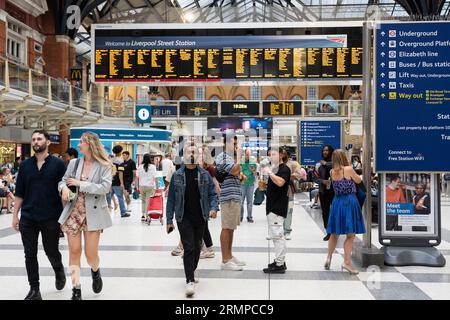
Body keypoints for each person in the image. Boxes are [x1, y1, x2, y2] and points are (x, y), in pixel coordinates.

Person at [12, 129, 67, 300]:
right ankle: (34, 289)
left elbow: (64, 192)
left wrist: (64, 218)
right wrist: (15, 215)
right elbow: (20, 192)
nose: (36, 142)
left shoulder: (58, 165)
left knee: (51, 251)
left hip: (51, 216)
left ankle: (58, 269)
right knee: (30, 254)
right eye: (34, 139)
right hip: (28, 217)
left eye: (39, 139)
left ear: (48, 142)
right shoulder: (25, 165)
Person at [59, 132, 113, 300]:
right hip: (73, 212)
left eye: (81, 142)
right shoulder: (74, 163)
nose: (78, 145)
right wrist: (64, 189)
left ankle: (95, 271)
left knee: (91, 255)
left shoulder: (104, 164)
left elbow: (105, 188)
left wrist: (80, 184)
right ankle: (76, 289)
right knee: (74, 252)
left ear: (90, 144)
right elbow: (63, 180)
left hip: (93, 213)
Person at [166, 143, 218, 297]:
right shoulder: (177, 175)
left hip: (201, 216)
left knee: (196, 246)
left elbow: (212, 194)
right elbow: (171, 200)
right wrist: (169, 220)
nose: (191, 154)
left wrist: (214, 208)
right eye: (189, 152)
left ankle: (192, 270)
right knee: (188, 247)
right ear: (184, 155)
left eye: (194, 152)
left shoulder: (204, 174)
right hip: (183, 217)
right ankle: (189, 280)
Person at [324, 149, 366, 275]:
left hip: (337, 203)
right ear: (343, 157)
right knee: (350, 235)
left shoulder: (332, 171)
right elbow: (358, 180)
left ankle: (329, 257)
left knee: (334, 233)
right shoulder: (347, 169)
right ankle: (347, 262)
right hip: (349, 201)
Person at [215, 134, 245, 271]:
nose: (236, 146)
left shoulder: (230, 158)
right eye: (234, 144)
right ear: (226, 143)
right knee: (226, 227)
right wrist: (239, 157)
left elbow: (239, 174)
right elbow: (234, 170)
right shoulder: (223, 157)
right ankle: (225, 260)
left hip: (234, 194)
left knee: (231, 227)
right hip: (228, 196)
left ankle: (229, 255)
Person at [262, 148, 291, 274]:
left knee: (278, 236)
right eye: (269, 155)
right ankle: (280, 260)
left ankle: (279, 264)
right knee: (276, 235)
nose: (271, 156)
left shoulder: (284, 169)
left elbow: (280, 182)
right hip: (273, 206)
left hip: (277, 207)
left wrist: (269, 173)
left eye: (273, 154)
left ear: (281, 155)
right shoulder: (275, 169)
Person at [314, 145, 335, 241]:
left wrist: (326, 164)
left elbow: (337, 168)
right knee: (325, 212)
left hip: (335, 192)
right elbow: (314, 178)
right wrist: (322, 181)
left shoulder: (335, 163)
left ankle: (336, 231)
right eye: (323, 151)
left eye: (327, 150)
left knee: (335, 211)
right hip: (323, 191)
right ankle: (328, 232)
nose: (325, 152)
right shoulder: (318, 165)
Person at [284, 151, 304, 240]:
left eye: (284, 153)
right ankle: (277, 231)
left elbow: (298, 175)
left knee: (289, 210)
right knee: (276, 211)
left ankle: (287, 231)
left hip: (290, 191)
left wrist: (286, 175)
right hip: (277, 191)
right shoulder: (276, 164)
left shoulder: (294, 164)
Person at [136, 153, 158, 221]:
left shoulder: (140, 166)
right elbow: (155, 177)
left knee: (143, 201)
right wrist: (157, 187)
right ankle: (147, 216)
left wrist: (136, 186)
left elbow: (137, 177)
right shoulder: (153, 167)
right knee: (148, 201)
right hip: (150, 186)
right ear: (150, 159)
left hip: (142, 186)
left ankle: (143, 215)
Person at [109, 145, 129, 217]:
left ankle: (105, 212)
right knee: (120, 197)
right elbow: (120, 173)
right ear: (120, 152)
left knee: (108, 197)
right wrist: (122, 183)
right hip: (117, 182)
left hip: (110, 182)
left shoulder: (110, 160)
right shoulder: (120, 161)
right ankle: (123, 212)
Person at [240, 148, 257, 223]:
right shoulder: (241, 162)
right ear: (244, 154)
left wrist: (253, 171)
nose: (248, 156)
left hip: (250, 184)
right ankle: (240, 216)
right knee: (241, 202)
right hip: (242, 184)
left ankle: (249, 217)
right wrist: (242, 175)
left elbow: (255, 173)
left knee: (250, 202)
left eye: (249, 155)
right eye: (247, 155)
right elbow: (239, 171)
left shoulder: (253, 162)